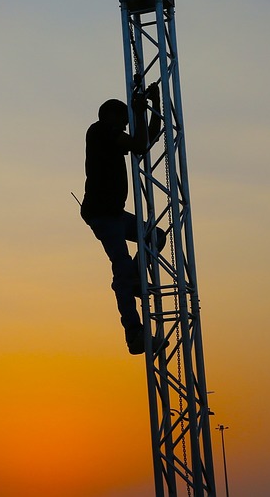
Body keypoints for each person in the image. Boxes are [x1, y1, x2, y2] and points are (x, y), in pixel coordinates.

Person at [80, 85, 167, 355]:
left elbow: (146, 140)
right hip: (103, 214)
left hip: (115, 214)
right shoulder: (99, 131)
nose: (127, 125)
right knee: (120, 266)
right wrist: (141, 112)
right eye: (125, 120)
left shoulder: (111, 134)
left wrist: (154, 107)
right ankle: (134, 332)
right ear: (112, 117)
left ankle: (132, 279)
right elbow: (140, 142)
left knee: (156, 235)